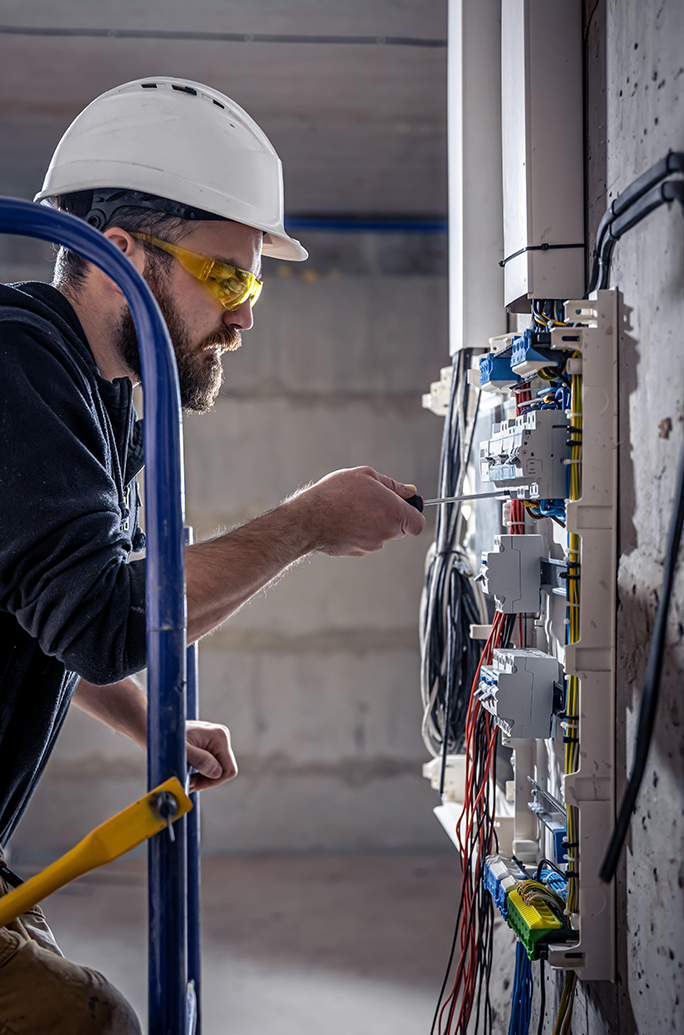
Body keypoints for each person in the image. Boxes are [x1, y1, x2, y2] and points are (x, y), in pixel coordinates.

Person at [0, 77, 425, 1032]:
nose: (242, 316)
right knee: (90, 1019)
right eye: (226, 277)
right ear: (119, 256)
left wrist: (154, 724)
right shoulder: (14, 364)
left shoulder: (97, 393)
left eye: (253, 283)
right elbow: (110, 619)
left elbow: (59, 608)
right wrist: (306, 522)